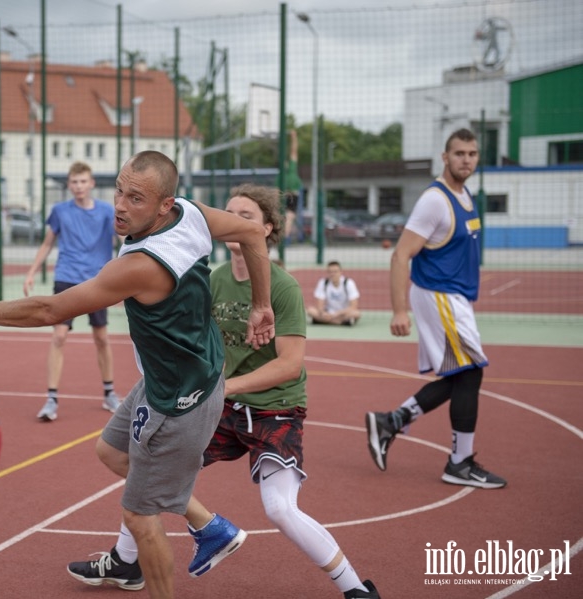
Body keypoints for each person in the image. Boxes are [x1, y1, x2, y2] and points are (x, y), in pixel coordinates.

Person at [0, 151, 275, 599]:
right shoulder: (191, 215)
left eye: (136, 198)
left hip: (178, 402)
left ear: (165, 204)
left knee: (140, 517)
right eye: (119, 191)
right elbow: (250, 232)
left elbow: (53, 308)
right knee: (110, 451)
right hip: (175, 377)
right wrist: (262, 304)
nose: (121, 206)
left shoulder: (141, 264)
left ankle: (147, 569)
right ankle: (209, 526)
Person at [67, 184, 379, 598]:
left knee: (280, 509)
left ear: (267, 228)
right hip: (217, 406)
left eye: (245, 215)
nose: (233, 219)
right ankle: (128, 560)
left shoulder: (281, 288)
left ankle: (355, 588)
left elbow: (289, 364)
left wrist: (224, 385)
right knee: (146, 464)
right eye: (228, 212)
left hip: (275, 409)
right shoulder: (211, 280)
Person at [365, 128, 506, 489]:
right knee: (471, 372)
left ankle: (392, 421)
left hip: (454, 297)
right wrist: (399, 311)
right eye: (459, 153)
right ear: (445, 157)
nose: (466, 160)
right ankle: (460, 463)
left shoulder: (466, 194)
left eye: (472, 154)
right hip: (438, 294)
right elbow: (401, 255)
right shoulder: (435, 200)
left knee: (461, 375)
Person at [23, 162, 120, 421]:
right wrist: (32, 271)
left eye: (83, 181)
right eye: (74, 182)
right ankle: (51, 399)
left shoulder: (107, 212)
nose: (78, 186)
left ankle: (109, 392)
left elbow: (123, 241)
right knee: (59, 336)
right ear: (69, 185)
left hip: (98, 282)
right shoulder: (59, 211)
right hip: (66, 278)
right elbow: (47, 243)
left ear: (91, 184)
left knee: (101, 338)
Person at [306, 261, 361, 326]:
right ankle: (339, 322)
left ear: (340, 272)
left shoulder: (348, 283)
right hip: (328, 313)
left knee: (357, 313)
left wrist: (336, 314)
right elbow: (319, 304)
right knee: (310, 310)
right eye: (330, 272)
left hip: (342, 313)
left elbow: (353, 306)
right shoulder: (323, 283)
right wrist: (323, 313)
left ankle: (324, 321)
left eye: (335, 272)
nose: (333, 274)